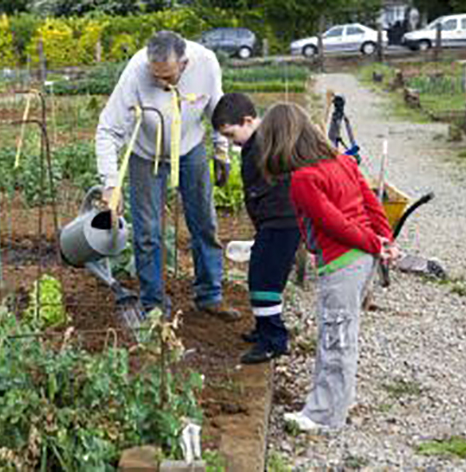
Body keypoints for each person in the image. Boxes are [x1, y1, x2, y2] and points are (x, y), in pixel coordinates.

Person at [255, 102, 399, 431]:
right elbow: (370, 204)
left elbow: (333, 224)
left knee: (336, 338)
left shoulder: (303, 179)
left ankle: (325, 417)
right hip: (363, 261)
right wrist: (384, 240)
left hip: (343, 262)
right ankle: (334, 400)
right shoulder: (342, 161)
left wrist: (377, 243)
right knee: (340, 333)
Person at [95, 30, 239, 320]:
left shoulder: (206, 63)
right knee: (147, 232)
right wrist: (111, 184)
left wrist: (221, 150)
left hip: (190, 146)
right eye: (155, 75)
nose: (160, 82)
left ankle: (210, 295)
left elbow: (218, 110)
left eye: (168, 77)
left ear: (184, 64)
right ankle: (153, 304)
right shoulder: (136, 72)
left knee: (205, 223)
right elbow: (108, 130)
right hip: (146, 154)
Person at [211, 93, 301, 364]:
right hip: (272, 224)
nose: (230, 141)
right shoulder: (258, 143)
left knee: (265, 282)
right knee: (263, 278)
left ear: (248, 121)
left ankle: (273, 341)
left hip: (281, 224)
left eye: (230, 133)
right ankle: (265, 329)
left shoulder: (265, 144)